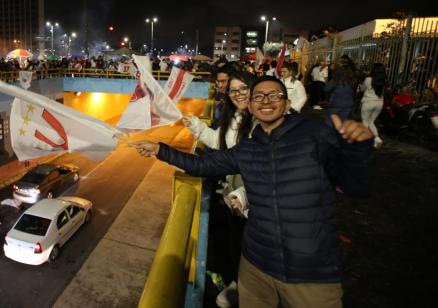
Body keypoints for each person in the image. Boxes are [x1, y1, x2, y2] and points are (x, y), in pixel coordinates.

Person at [133, 76, 375, 308]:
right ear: (249, 105)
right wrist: (160, 149)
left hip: (312, 271)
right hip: (256, 266)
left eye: (274, 95)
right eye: (258, 96)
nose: (266, 101)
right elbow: (203, 165)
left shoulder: (315, 135)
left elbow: (358, 187)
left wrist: (357, 150)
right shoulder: (247, 148)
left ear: (287, 103)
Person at [183, 71, 256, 307]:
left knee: (254, 247)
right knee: (236, 243)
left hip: (255, 197)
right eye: (233, 90)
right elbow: (220, 142)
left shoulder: (260, 118)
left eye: (243, 88)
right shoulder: (235, 116)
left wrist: (244, 195)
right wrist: (195, 125)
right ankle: (236, 284)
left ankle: (253, 293)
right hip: (234, 195)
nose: (238, 94)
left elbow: (263, 164)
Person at [360, 63, 386, 148]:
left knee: (365, 122)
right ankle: (377, 139)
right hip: (379, 102)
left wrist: (360, 85)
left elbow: (362, 89)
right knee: (371, 122)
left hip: (368, 102)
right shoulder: (383, 80)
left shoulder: (368, 79)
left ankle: (365, 142)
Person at [212, 64, 235, 129]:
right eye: (218, 81)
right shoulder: (223, 103)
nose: (219, 85)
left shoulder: (241, 103)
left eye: (223, 81)